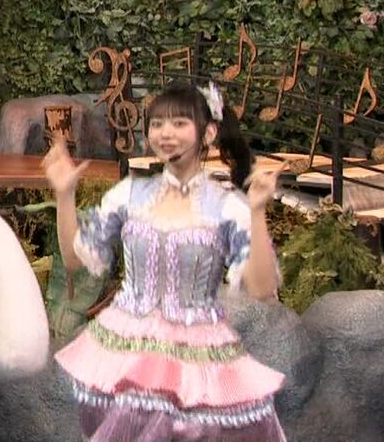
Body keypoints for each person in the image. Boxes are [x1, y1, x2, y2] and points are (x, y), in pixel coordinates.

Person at [43, 81, 288, 442]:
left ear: (208, 133)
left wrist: (257, 211)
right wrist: (65, 195)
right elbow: (74, 260)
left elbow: (262, 290)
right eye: (157, 124)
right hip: (123, 351)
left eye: (179, 123)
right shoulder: (129, 195)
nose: (165, 133)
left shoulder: (227, 206)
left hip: (196, 359)